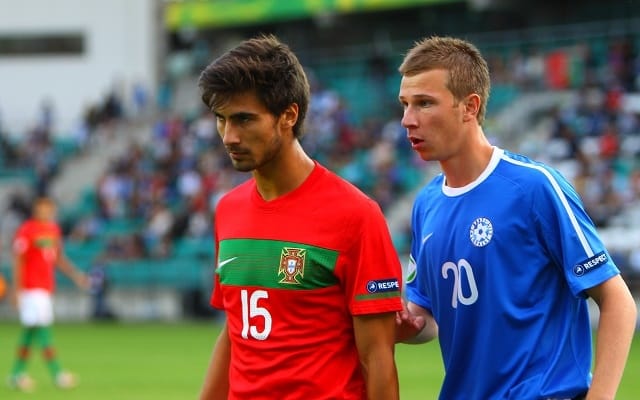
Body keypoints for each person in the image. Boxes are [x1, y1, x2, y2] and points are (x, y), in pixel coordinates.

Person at [395, 36, 637, 400]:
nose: (407, 120)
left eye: (425, 103)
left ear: (469, 107)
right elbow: (426, 317)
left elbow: (617, 300)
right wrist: (403, 323)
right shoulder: (426, 204)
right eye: (405, 104)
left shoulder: (533, 188)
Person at [197, 34, 403, 400]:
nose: (229, 136)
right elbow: (234, 333)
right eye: (221, 119)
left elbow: (378, 358)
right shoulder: (228, 210)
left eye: (244, 119)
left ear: (288, 115)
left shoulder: (355, 216)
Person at [7, 197, 89, 392]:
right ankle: (58, 374)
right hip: (31, 288)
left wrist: (76, 275)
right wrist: (16, 290)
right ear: (36, 209)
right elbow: (18, 260)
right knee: (42, 329)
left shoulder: (53, 230)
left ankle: (16, 375)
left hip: (45, 286)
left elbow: (58, 258)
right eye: (42, 208)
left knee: (31, 331)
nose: (46, 211)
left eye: (49, 208)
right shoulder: (27, 230)